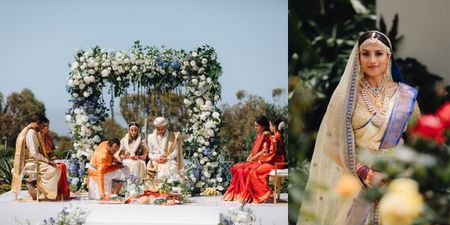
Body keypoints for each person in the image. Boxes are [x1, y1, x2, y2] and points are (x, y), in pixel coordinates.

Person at [297, 30, 421, 225]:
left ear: (389, 57)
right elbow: (330, 142)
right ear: (358, 57)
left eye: (378, 53)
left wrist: (399, 172)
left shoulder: (404, 96)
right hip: (355, 183)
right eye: (366, 54)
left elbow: (418, 142)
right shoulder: (345, 97)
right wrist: (364, 173)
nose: (372, 60)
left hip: (396, 184)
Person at [11, 114, 62, 200]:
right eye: (42, 125)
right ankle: (41, 191)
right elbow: (34, 153)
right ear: (38, 123)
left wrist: (48, 160)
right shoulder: (31, 133)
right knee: (53, 171)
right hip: (31, 162)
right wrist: (48, 161)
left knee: (57, 169)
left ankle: (37, 188)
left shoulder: (33, 131)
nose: (43, 127)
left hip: (35, 160)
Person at [223, 116, 272, 202]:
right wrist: (249, 158)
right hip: (254, 160)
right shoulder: (258, 135)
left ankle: (247, 196)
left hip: (261, 161)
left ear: (263, 126)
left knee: (245, 170)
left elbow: (264, 151)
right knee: (238, 168)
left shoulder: (266, 135)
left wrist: (252, 159)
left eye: (257, 126)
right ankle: (237, 194)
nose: (255, 128)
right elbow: (254, 150)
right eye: (255, 125)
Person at [246, 118, 286, 203]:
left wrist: (260, 159)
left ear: (274, 127)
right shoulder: (276, 136)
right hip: (274, 161)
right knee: (256, 171)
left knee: (255, 171)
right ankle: (263, 195)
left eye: (270, 125)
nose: (269, 127)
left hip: (276, 162)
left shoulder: (275, 137)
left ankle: (265, 195)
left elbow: (271, 153)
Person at [39, 118, 70, 200]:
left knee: (62, 165)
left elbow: (51, 153)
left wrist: (53, 158)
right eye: (44, 126)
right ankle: (51, 193)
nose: (46, 128)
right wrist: (48, 160)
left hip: (49, 160)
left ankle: (62, 193)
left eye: (47, 126)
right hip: (41, 162)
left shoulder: (49, 138)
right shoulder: (37, 138)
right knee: (59, 167)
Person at [146, 117, 183, 181]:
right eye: (158, 129)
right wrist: (155, 159)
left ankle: (169, 186)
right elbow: (150, 153)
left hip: (168, 159)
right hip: (156, 159)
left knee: (173, 167)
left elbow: (175, 151)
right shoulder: (150, 137)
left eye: (162, 128)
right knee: (156, 167)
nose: (160, 131)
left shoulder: (173, 136)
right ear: (155, 127)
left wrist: (167, 158)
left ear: (165, 126)